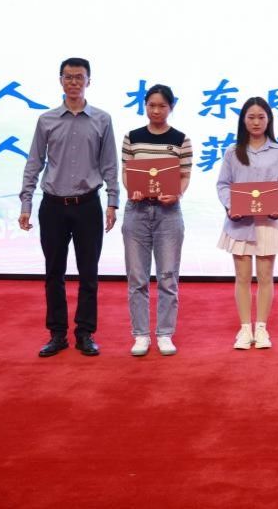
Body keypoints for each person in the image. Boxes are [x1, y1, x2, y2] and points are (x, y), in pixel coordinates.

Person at [19, 57, 119, 358]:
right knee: (54, 272)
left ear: (89, 81)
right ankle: (57, 333)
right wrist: (26, 202)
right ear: (60, 80)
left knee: (89, 273)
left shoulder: (102, 120)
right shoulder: (46, 120)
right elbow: (34, 162)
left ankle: (85, 333)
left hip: (88, 205)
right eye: (68, 77)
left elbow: (109, 164)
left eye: (79, 77)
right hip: (53, 206)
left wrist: (113, 201)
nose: (73, 82)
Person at [121, 84, 192, 357]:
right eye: (151, 105)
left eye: (162, 105)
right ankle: (140, 334)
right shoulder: (132, 137)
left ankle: (164, 333)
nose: (156, 110)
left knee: (167, 276)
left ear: (171, 107)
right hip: (137, 210)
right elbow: (127, 171)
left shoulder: (181, 139)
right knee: (137, 277)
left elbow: (184, 175)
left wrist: (177, 193)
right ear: (145, 106)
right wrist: (132, 189)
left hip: (168, 214)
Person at [216, 97, 278, 350]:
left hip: (268, 222)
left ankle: (261, 328)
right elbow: (223, 184)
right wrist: (230, 206)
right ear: (243, 120)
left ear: (269, 120)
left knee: (266, 276)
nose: (256, 122)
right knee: (242, 276)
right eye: (251, 117)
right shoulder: (232, 151)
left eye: (261, 117)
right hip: (239, 223)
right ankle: (244, 328)